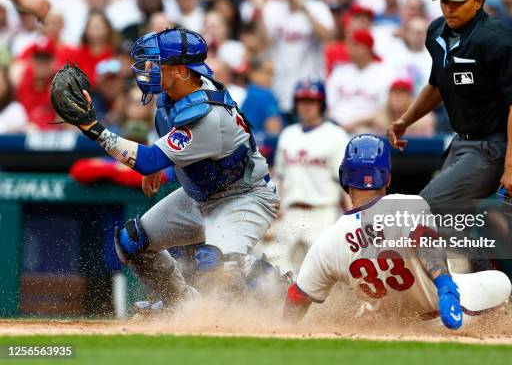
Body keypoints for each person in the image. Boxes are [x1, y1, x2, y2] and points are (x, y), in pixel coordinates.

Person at [66, 28, 280, 311]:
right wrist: (156, 164)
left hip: (243, 197)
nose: (147, 69)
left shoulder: (206, 116)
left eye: (156, 63)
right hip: (200, 195)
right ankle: (180, 306)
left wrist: (94, 129)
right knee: (134, 242)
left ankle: (280, 289)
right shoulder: (175, 94)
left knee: (217, 267)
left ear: (180, 71)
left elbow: (148, 159)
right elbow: (165, 142)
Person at [283, 135, 512, 329]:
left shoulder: (327, 241)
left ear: (344, 177)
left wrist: (282, 331)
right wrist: (447, 289)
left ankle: (371, 312)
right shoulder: (408, 204)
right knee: (502, 282)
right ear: (388, 177)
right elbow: (426, 243)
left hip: (389, 325)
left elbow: (297, 297)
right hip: (437, 317)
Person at [387, 0, 512, 210]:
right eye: (444, 1)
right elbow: (436, 86)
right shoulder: (435, 32)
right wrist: (405, 121)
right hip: (461, 144)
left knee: (421, 210)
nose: (449, 8)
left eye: (457, 2)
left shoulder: (498, 39)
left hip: (495, 146)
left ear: (478, 2)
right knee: (448, 228)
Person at [262, 77, 349, 272]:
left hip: (323, 212)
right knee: (279, 269)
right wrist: (272, 214)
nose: (306, 106)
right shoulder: (288, 134)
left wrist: (352, 216)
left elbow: (346, 183)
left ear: (321, 104)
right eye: (302, 101)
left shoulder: (336, 135)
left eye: (312, 101)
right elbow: (280, 179)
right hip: (290, 212)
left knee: (325, 272)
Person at [326, 28, 394, 133]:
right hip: (335, 128)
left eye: (355, 45)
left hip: (368, 128)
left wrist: (356, 124)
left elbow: (385, 111)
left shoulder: (384, 72)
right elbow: (329, 106)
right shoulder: (339, 71)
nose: (349, 48)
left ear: (367, 48)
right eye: (349, 45)